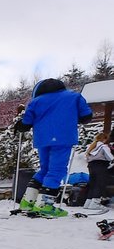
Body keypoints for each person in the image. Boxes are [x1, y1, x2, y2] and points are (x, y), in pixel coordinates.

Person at [13, 78, 93, 217]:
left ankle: (28, 201)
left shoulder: (36, 101)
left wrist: (21, 125)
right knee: (57, 170)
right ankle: (45, 205)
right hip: (63, 137)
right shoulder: (74, 96)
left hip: (42, 138)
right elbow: (86, 116)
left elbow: (26, 122)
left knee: (45, 169)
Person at [80, 132, 112, 214]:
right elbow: (109, 157)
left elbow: (87, 157)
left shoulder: (92, 146)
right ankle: (95, 202)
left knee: (93, 183)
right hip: (101, 166)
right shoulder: (104, 146)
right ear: (104, 139)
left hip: (91, 166)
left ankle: (88, 202)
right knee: (99, 183)